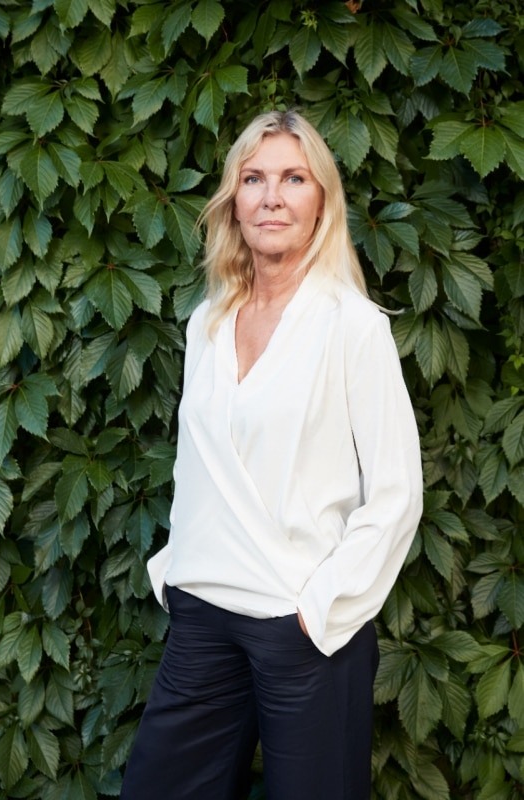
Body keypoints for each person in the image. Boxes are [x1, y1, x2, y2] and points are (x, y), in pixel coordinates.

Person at [120, 110, 423, 800]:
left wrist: (320, 609)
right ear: (233, 199)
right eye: (253, 179)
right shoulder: (208, 322)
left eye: (293, 178)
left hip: (303, 628)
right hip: (202, 614)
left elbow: (397, 492)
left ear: (321, 201)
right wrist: (178, 570)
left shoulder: (352, 327)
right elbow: (196, 465)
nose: (271, 197)